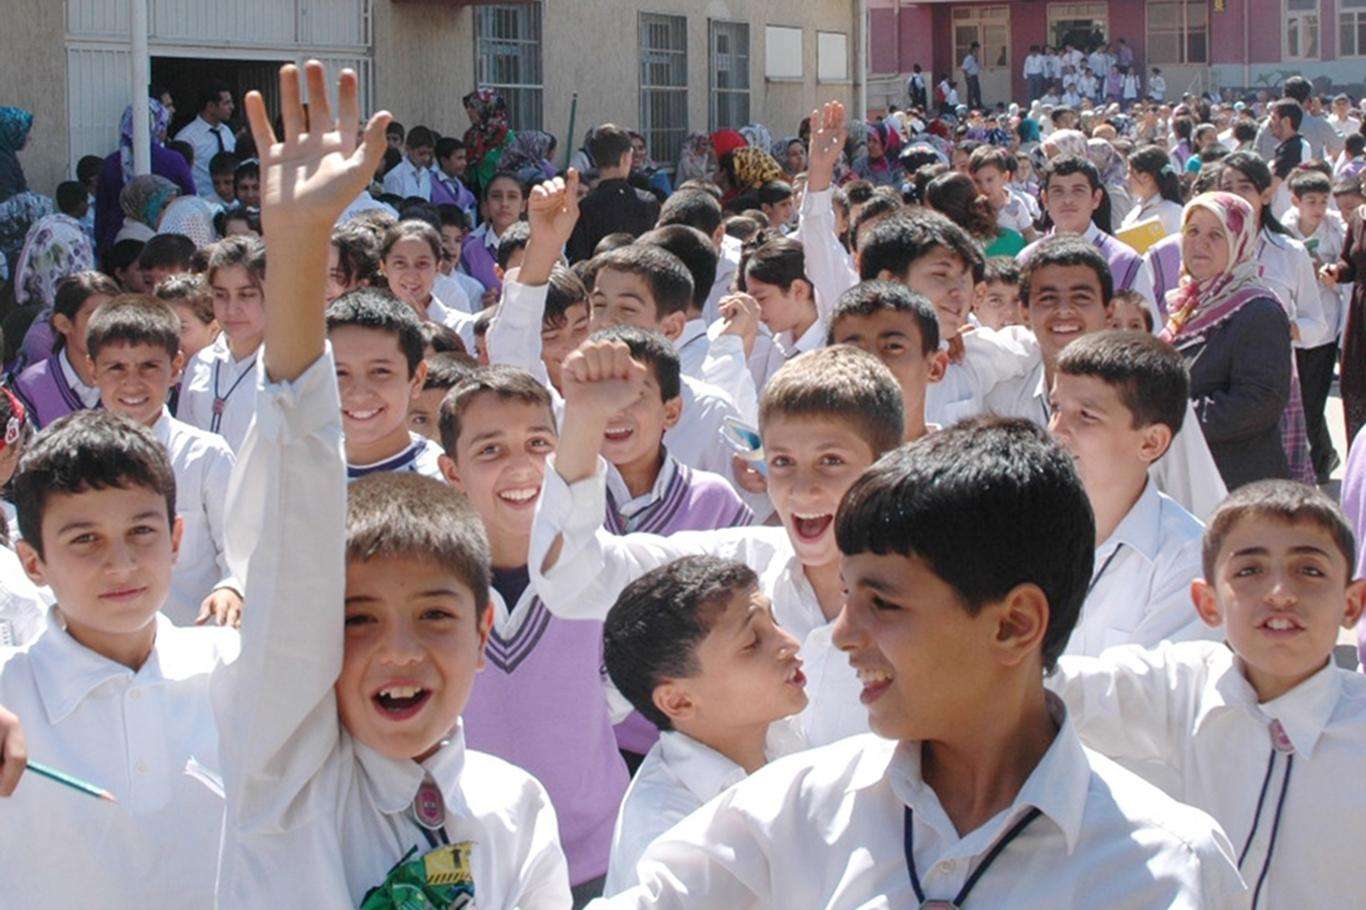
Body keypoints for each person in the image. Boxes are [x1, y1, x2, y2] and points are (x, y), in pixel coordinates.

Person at [597, 418, 1244, 907]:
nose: (841, 636)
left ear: (1015, 624)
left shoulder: (1165, 870)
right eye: (846, 595)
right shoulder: (792, 814)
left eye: (882, 603)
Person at [206, 62, 570, 907]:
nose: (399, 652)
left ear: (484, 626)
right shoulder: (284, 777)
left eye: (435, 615)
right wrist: (298, 244)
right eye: (356, 619)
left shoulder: (515, 809)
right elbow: (299, 495)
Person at [1051, 480, 1366, 910]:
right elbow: (1054, 689)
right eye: (1249, 571)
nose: (1280, 594)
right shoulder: (1184, 687)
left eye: (1309, 571)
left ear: (1352, 604)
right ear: (1208, 603)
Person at [0, 410, 239, 907]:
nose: (121, 564)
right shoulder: (9, 693)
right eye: (85, 539)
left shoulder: (235, 670)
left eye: (141, 531)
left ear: (176, 540)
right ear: (33, 562)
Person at [600, 556, 806, 896]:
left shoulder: (786, 735)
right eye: (752, 642)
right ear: (678, 702)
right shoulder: (666, 840)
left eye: (775, 620)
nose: (790, 644)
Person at [984, 236, 1228, 522]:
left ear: (1109, 311)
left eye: (1081, 297)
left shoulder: (1153, 396)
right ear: (1025, 312)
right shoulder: (1002, 402)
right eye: (1047, 299)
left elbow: (1203, 510)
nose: (1064, 311)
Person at [1048, 330, 1210, 656]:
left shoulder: (1189, 558)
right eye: (1055, 409)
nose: (1056, 431)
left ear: (1151, 443)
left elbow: (1150, 684)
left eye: (1086, 416)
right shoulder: (1021, 526)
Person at [84, 295, 240, 627]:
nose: (132, 383)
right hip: (105, 641)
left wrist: (230, 587)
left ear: (176, 367)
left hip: (192, 641)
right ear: (92, 370)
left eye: (149, 367)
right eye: (116, 367)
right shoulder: (76, 461)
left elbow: (240, 553)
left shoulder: (206, 457)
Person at [1163, 191, 1292, 489]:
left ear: (1239, 243)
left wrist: (1170, 415)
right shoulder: (1190, 302)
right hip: (1193, 473)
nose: (1200, 243)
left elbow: (1258, 402)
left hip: (1236, 482)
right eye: (1193, 231)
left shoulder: (1258, 310)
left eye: (1216, 234)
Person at [326, 290, 445, 479]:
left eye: (380, 371)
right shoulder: (301, 469)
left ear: (416, 379)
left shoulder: (445, 479)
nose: (359, 394)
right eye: (340, 373)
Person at [826, 280, 946, 446]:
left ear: (935, 367)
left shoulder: (964, 462)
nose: (872, 365)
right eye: (853, 350)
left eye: (893, 347)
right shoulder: (803, 459)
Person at [1284, 169, 1347, 482]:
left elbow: (1349, 270)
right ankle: (1323, 453)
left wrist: (1330, 273)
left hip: (1325, 325)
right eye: (1311, 201)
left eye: (1323, 200)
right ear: (1296, 201)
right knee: (1299, 398)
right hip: (1295, 325)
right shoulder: (1285, 230)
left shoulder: (1336, 228)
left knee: (1313, 398)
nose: (1318, 208)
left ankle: (1320, 461)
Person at [176, 236, 266, 452]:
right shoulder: (200, 362)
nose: (231, 309)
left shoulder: (286, 369)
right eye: (220, 295)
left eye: (246, 295)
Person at [14, 271, 117, 428]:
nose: (108, 326)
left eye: (114, 315)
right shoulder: (32, 387)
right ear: (63, 323)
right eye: (95, 316)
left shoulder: (132, 380)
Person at [94, 99, 196, 257]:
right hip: (167, 243)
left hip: (119, 244)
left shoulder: (111, 163)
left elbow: (101, 213)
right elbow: (190, 201)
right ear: (158, 127)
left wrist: (103, 251)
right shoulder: (173, 160)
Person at [567, 125, 660, 263]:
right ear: (625, 158)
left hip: (599, 273)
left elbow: (578, 259)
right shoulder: (648, 202)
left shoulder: (585, 207)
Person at [926, 170, 1024, 257]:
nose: (928, 218)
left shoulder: (944, 258)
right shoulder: (1015, 239)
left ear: (945, 215)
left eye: (931, 212)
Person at [461, 172, 526, 298]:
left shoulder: (537, 247)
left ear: (523, 205)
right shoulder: (471, 251)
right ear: (486, 204)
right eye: (496, 196)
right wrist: (481, 304)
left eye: (512, 197)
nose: (504, 203)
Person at [173, 81, 236, 198]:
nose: (232, 107)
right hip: (201, 202)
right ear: (211, 106)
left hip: (231, 202)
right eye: (226, 103)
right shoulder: (186, 138)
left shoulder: (226, 131)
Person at [153, 271, 219, 363]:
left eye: (181, 328)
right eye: (162, 328)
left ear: (213, 329)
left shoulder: (227, 369)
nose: (168, 338)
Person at [1122, 144, 1186, 236]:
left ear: (1145, 177)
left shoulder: (1172, 212)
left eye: (1130, 173)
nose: (1126, 178)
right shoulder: (1137, 208)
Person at [462, 88, 514, 192]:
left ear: (487, 109)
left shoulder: (505, 136)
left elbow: (514, 168)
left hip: (498, 192)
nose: (468, 111)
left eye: (473, 107)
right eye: (467, 107)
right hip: (472, 192)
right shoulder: (470, 135)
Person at [1267, 99, 1312, 219]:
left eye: (1274, 118)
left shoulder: (1292, 147)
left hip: (1283, 217)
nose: (1270, 123)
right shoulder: (1295, 145)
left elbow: (1273, 184)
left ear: (1286, 121)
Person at [381, 124, 438, 200]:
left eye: (429, 154)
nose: (426, 158)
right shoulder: (395, 176)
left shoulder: (426, 174)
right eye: (421, 153)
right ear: (408, 149)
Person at [433, 135, 478, 218]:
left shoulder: (460, 185)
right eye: (459, 158)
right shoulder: (431, 183)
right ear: (444, 161)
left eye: (464, 158)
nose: (464, 163)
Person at [973, 256, 1023, 330]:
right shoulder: (961, 336)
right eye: (995, 301)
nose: (1010, 311)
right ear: (976, 304)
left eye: (1018, 300)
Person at [852, 121, 903, 189]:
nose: (870, 145)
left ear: (885, 143)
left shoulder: (895, 166)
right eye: (869, 140)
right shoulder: (860, 165)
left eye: (875, 141)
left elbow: (898, 189)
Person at [962, 40, 983, 110]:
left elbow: (978, 67)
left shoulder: (976, 58)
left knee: (977, 91)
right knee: (971, 92)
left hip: (975, 76)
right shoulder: (968, 58)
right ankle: (970, 106)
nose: (978, 51)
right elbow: (964, 69)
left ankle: (978, 104)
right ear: (973, 49)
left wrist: (976, 60)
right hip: (970, 77)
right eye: (977, 49)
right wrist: (967, 76)